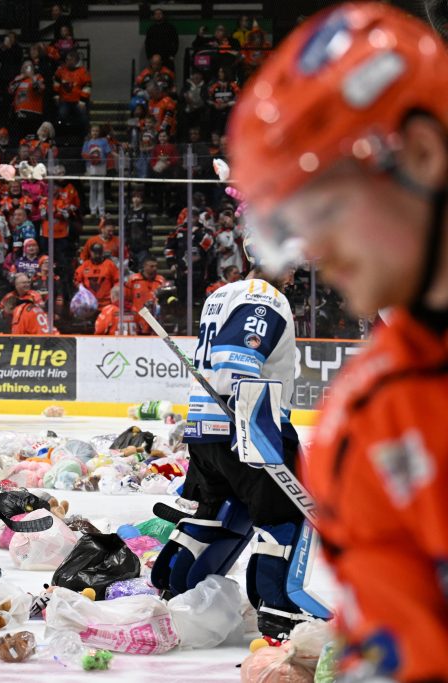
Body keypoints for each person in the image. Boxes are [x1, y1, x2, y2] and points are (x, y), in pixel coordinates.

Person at [227, 5, 448, 679]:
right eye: (292, 223)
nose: (316, 248)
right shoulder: (368, 422)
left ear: (423, 154)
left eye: (325, 206)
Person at [151, 248, 319, 641]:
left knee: (217, 513)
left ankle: (178, 586)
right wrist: (250, 424)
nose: (292, 275)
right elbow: (235, 358)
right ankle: (278, 608)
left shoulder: (221, 294)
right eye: (290, 265)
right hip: (247, 424)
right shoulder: (265, 296)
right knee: (286, 515)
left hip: (204, 429)